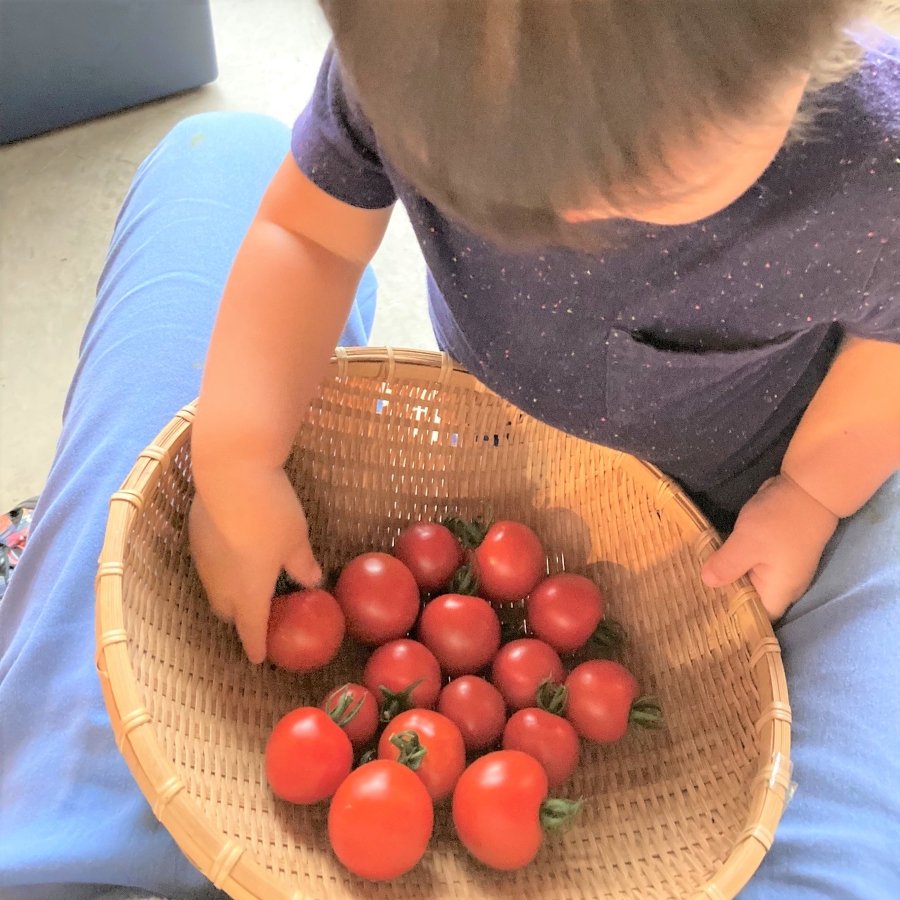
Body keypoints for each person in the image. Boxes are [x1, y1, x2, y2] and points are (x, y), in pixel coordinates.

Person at [1, 2, 898, 899]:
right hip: (503, 420)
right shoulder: (408, 59)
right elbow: (307, 235)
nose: (572, 217)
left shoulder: (872, 162)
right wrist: (238, 456)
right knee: (232, 156)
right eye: (498, 191)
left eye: (648, 185)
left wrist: (812, 495)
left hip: (755, 470)